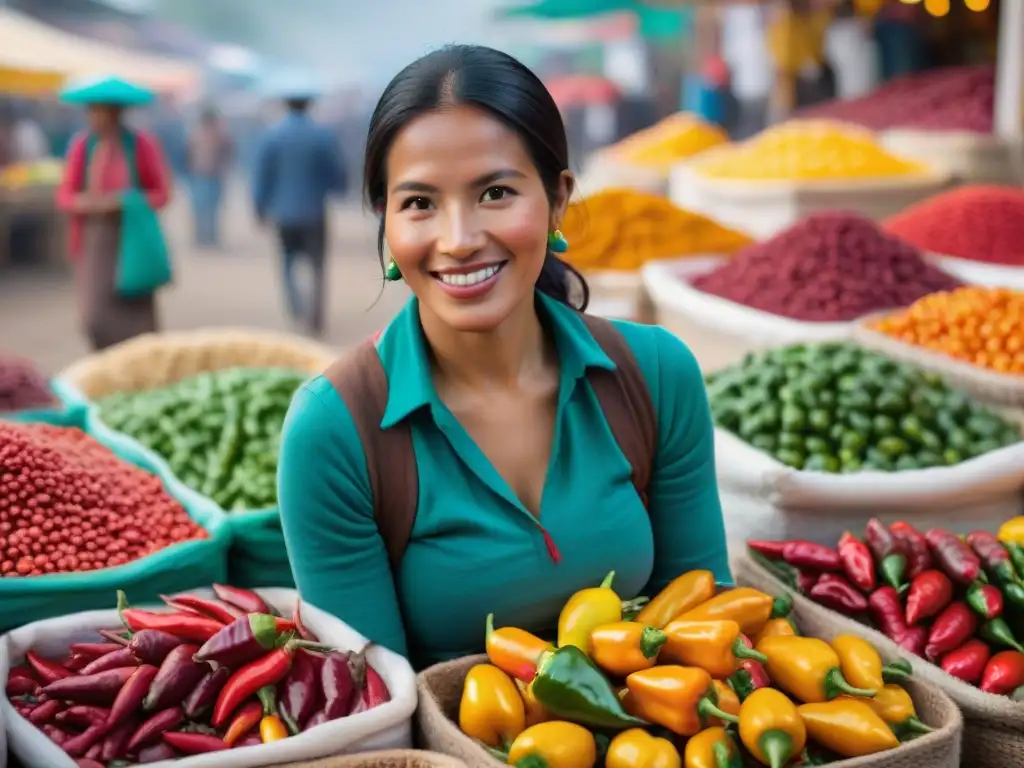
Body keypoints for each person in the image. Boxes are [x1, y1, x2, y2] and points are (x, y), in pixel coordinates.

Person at [276, 45, 731, 670]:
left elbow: (710, 622)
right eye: (419, 203)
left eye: (495, 192)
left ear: (558, 200)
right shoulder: (335, 431)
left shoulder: (655, 376)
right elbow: (374, 708)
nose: (459, 240)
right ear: (387, 222)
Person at [55, 79, 172, 351]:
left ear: (117, 113)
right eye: (92, 111)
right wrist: (85, 203)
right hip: (94, 241)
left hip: (132, 238)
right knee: (94, 317)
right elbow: (65, 196)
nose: (96, 117)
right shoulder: (83, 147)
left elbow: (162, 194)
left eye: (102, 111)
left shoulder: (140, 145)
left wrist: (124, 202)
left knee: (137, 317)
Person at [252, 93, 346, 337]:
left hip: (284, 213)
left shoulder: (272, 135)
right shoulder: (322, 135)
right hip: (314, 212)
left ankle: (296, 309)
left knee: (287, 262)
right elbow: (335, 171)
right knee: (317, 266)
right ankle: (315, 318)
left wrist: (259, 207)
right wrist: (338, 190)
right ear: (309, 105)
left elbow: (262, 175)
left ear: (285, 105)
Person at [187, 107, 234, 248]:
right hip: (202, 175)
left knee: (211, 208)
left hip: (212, 175)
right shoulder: (197, 135)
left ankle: (209, 237)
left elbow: (229, 152)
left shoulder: (219, 135)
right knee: (202, 208)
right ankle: (203, 237)